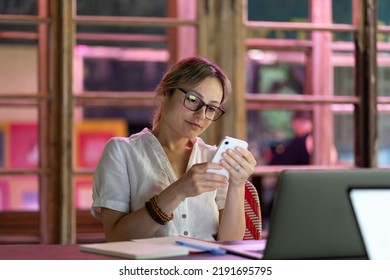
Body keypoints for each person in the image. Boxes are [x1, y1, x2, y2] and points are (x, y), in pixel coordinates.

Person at [91, 56, 257, 242]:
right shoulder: (122, 152)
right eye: (193, 99)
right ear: (164, 92)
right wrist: (178, 190)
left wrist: (237, 184)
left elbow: (230, 243)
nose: (201, 115)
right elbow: (116, 238)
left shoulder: (214, 158)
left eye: (211, 108)